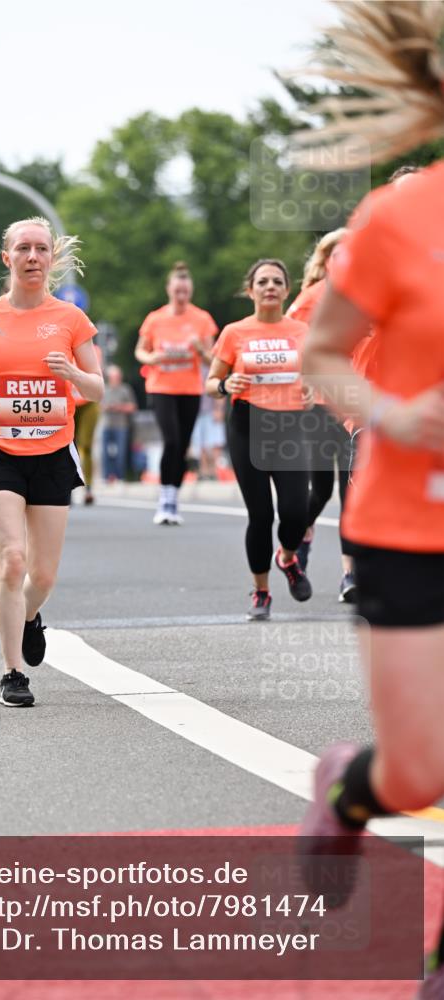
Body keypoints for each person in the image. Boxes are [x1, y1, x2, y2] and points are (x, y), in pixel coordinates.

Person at [291, 4, 444, 996]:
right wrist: (387, 412)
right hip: (409, 521)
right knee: (420, 774)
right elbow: (321, 355)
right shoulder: (400, 217)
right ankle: (351, 787)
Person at [0, 216, 103, 707]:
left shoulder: (71, 319)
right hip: (0, 450)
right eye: (23, 249)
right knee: (12, 560)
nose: (33, 257)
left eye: (41, 249)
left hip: (53, 452)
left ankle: (30, 615)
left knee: (43, 575)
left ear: (51, 258)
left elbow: (97, 388)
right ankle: (13, 673)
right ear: (6, 258)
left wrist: (72, 371)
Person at [205, 259, 312, 620]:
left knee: (297, 510)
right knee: (261, 514)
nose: (270, 286)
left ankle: (287, 557)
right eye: (262, 281)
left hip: (292, 425)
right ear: (250, 290)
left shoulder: (302, 331)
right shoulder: (235, 332)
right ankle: (262, 591)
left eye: (277, 281)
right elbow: (211, 382)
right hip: (248, 424)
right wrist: (224, 385)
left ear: (286, 289)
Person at [288, 229, 356, 602]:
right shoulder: (309, 300)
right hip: (315, 409)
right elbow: (290, 345)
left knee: (352, 492)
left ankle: (350, 574)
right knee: (319, 491)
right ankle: (301, 535)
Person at [136, 261, 217, 525]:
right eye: (177, 291)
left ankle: (174, 499)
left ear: (190, 292)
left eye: (186, 292)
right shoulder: (155, 318)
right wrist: (153, 358)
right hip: (162, 388)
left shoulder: (202, 319)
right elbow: (140, 351)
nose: (181, 297)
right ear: (169, 289)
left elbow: (213, 360)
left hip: (190, 389)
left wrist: (199, 348)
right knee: (171, 440)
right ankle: (164, 499)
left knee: (182, 446)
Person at [73, 342, 102, 504]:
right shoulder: (57, 343)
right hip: (67, 400)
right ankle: (66, 487)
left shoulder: (94, 349)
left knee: (86, 445)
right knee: (65, 445)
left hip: (88, 401)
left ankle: (88, 487)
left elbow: (95, 374)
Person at [100, 364, 137, 482]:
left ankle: (120, 476)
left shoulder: (125, 389)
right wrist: (107, 407)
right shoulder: (104, 389)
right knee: (105, 453)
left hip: (121, 425)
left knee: (121, 453)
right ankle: (107, 476)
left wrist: (119, 407)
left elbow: (133, 407)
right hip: (107, 425)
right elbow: (98, 406)